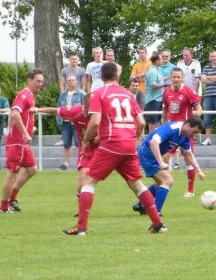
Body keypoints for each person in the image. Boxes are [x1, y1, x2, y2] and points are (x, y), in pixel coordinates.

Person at [70, 62, 166, 235]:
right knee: (137, 184)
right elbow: (141, 122)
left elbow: (95, 122)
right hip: (129, 144)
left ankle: (81, 227)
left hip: (111, 143)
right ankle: (158, 224)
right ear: (117, 75)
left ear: (101, 76)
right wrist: (133, 138)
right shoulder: (128, 94)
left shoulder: (99, 93)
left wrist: (85, 141)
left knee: (87, 182)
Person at [36, 93, 95, 227]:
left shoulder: (100, 114)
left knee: (130, 178)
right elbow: (56, 110)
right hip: (86, 152)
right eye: (90, 108)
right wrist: (37, 109)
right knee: (83, 182)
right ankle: (82, 209)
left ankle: (142, 203)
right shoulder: (76, 112)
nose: (92, 111)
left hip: (102, 151)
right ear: (85, 106)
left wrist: (99, 138)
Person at [134, 116, 205, 216]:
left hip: (154, 156)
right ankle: (156, 212)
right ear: (188, 125)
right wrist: (161, 162)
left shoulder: (185, 136)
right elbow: (153, 142)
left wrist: (199, 171)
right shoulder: (171, 128)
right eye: (195, 132)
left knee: (161, 183)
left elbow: (189, 154)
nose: (194, 135)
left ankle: (141, 205)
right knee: (167, 180)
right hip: (147, 153)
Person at [0, 69, 45, 213]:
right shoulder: (24, 95)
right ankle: (4, 207)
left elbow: (12, 114)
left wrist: (12, 128)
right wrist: (25, 133)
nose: (40, 84)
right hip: (17, 142)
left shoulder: (30, 96)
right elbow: (15, 113)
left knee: (32, 169)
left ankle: (11, 199)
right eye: (37, 81)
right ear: (29, 80)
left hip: (22, 142)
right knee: (12, 174)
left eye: (42, 81)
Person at [161, 68, 203, 196]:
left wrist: (192, 122)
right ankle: (164, 184)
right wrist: (164, 125)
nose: (176, 79)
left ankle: (190, 190)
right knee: (164, 158)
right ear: (171, 78)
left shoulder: (188, 91)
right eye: (174, 77)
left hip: (185, 132)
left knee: (188, 159)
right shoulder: (167, 92)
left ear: (182, 77)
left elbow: (199, 109)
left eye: (178, 77)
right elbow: (165, 110)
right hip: (171, 132)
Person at [56, 75, 84, 171]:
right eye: (69, 80)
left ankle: (81, 163)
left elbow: (85, 108)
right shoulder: (63, 94)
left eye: (73, 80)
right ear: (67, 82)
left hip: (77, 122)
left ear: (76, 81)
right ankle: (65, 164)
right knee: (66, 143)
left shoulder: (82, 94)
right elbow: (59, 107)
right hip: (65, 122)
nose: (71, 81)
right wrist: (59, 120)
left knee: (79, 143)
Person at [144, 52, 164, 133]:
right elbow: (153, 85)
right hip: (152, 100)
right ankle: (151, 138)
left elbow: (160, 80)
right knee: (152, 122)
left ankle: (157, 137)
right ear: (157, 61)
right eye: (161, 59)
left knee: (158, 120)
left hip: (158, 99)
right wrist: (165, 85)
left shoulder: (158, 70)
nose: (162, 60)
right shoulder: (152, 71)